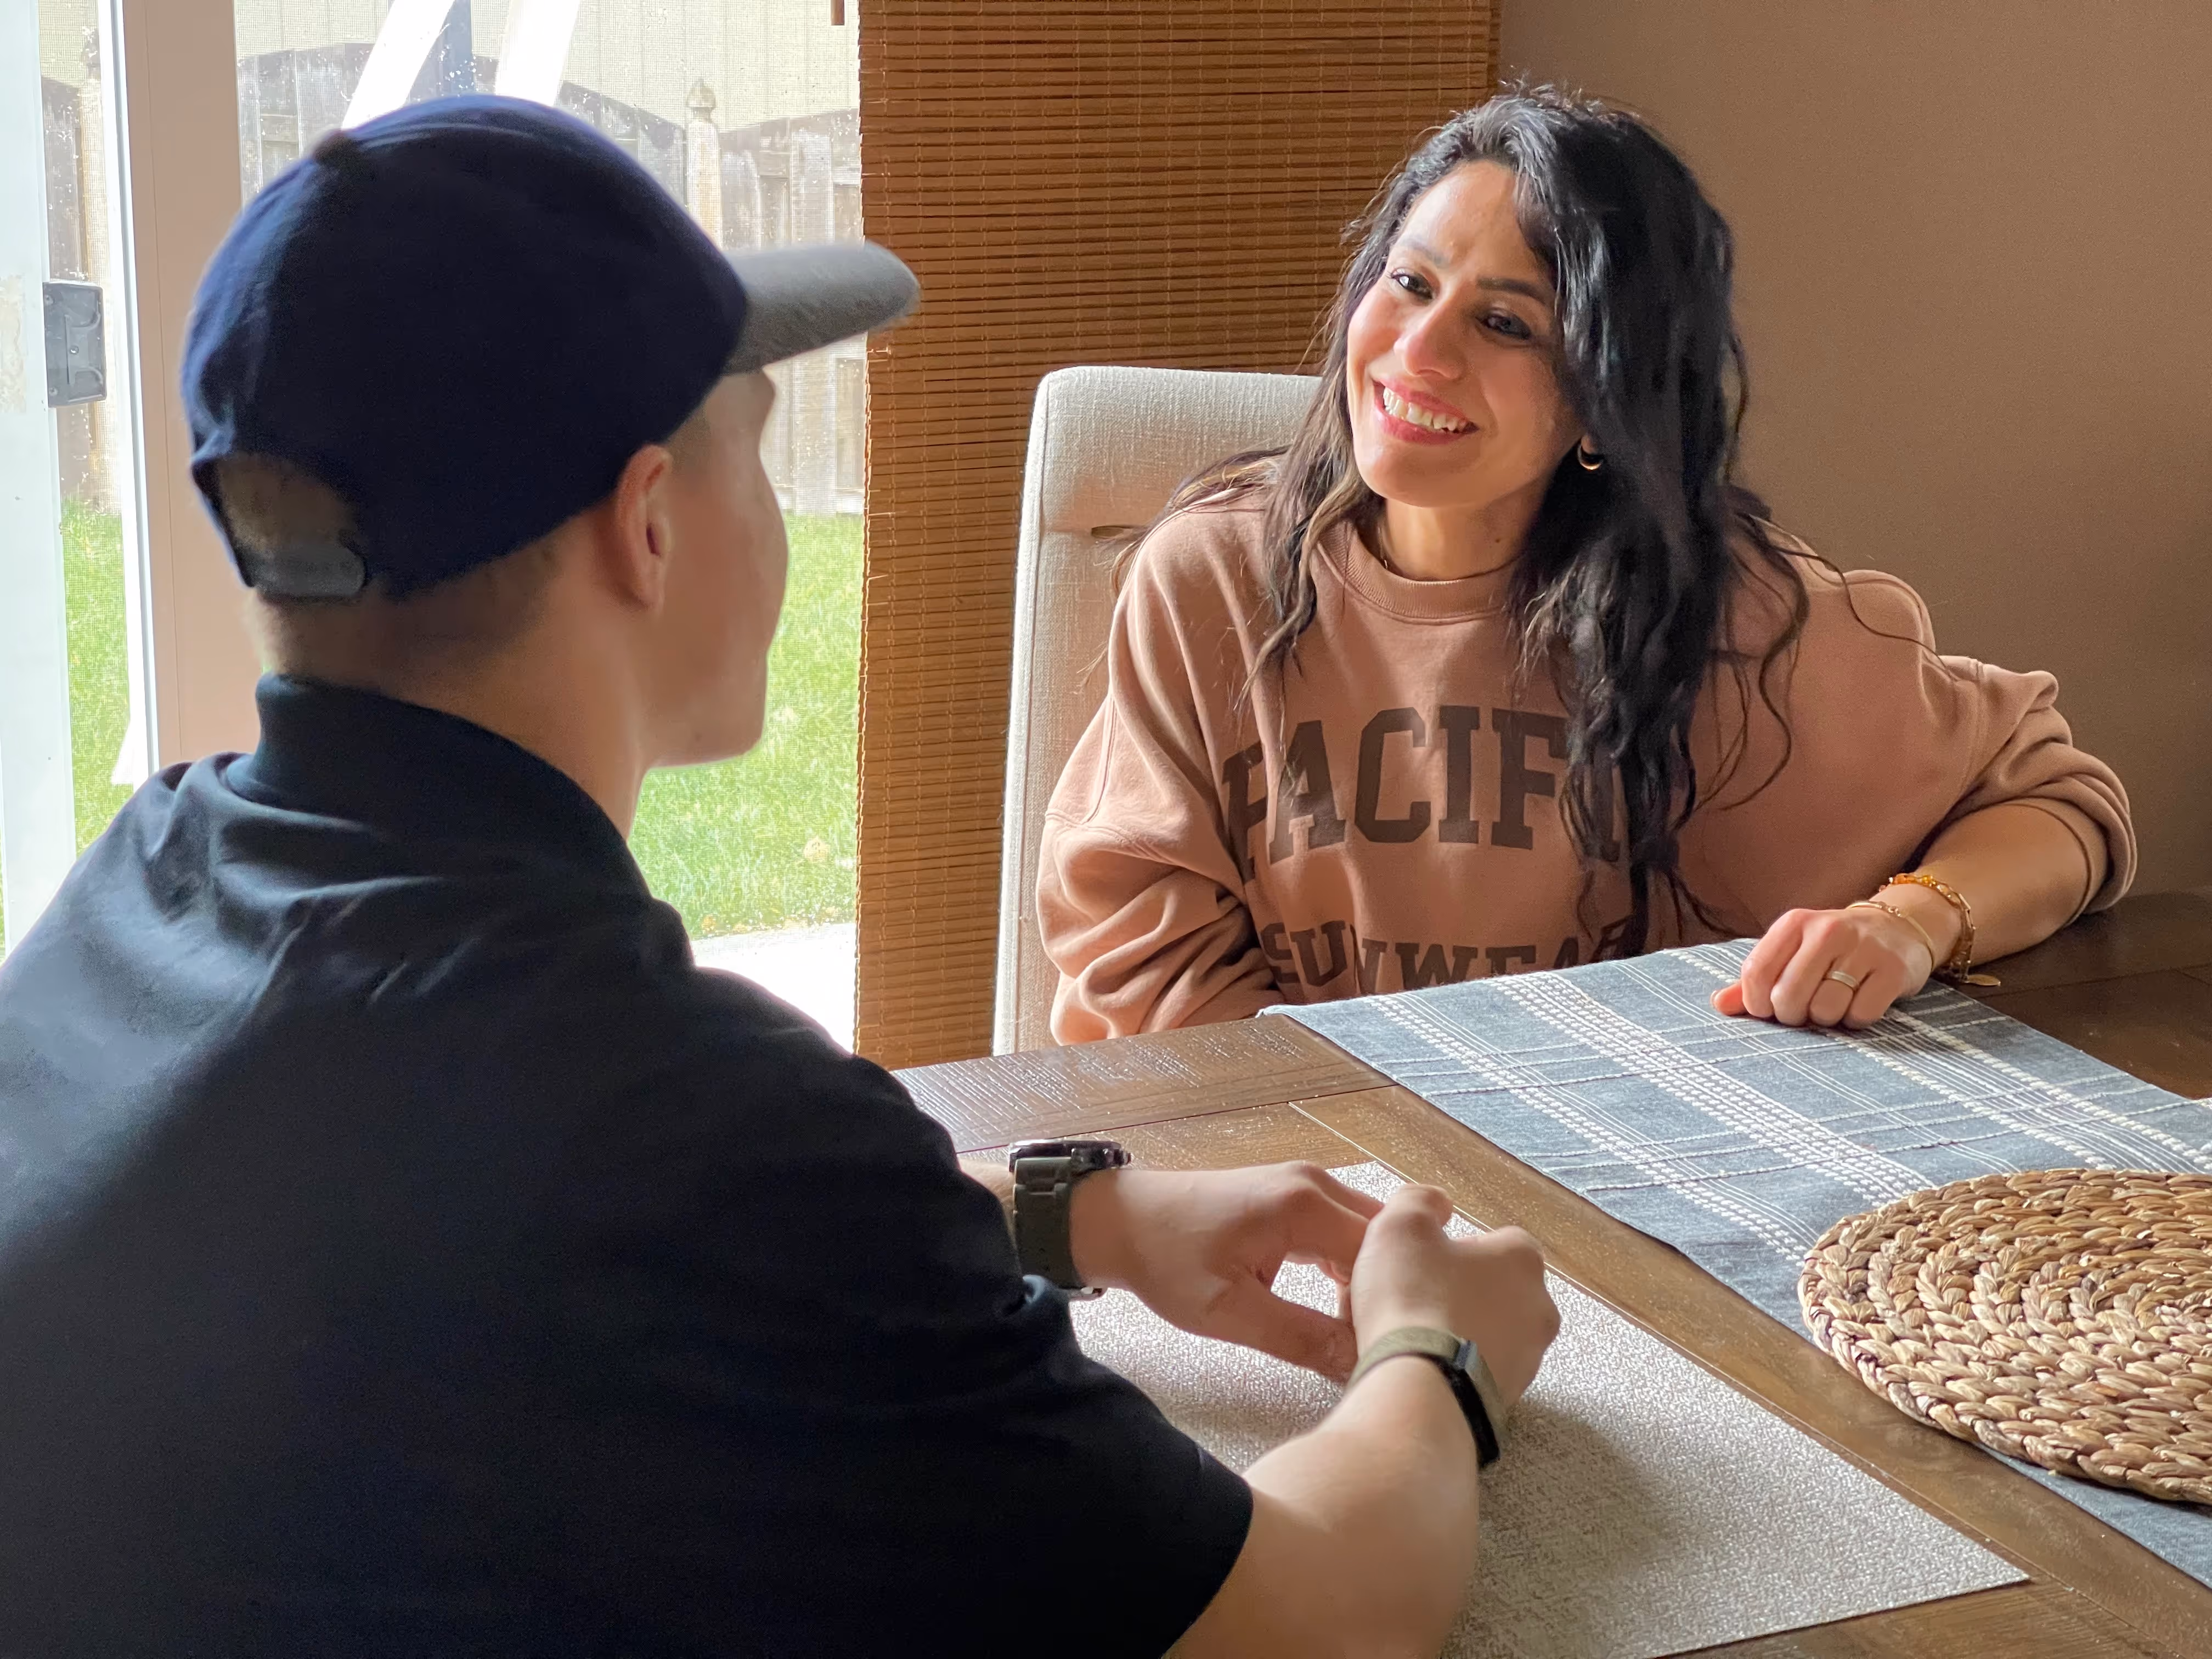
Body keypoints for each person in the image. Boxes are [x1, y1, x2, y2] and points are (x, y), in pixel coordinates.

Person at [0, 97, 1559, 1655]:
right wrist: (1438, 1356)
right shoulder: (672, 1116)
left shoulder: (144, 884)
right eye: (755, 444)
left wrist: (1071, 1217)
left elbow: (502, 1245)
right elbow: (1316, 1617)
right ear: (649, 529)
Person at [1039, 88, 2134, 1044]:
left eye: (1508, 324)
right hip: (1286, 1160)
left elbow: (2057, 803)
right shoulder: (1213, 579)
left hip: (1612, 1178)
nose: (1421, 350)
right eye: (1411, 284)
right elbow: (1146, 965)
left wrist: (1907, 923)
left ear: (1603, 399)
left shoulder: (1726, 613)